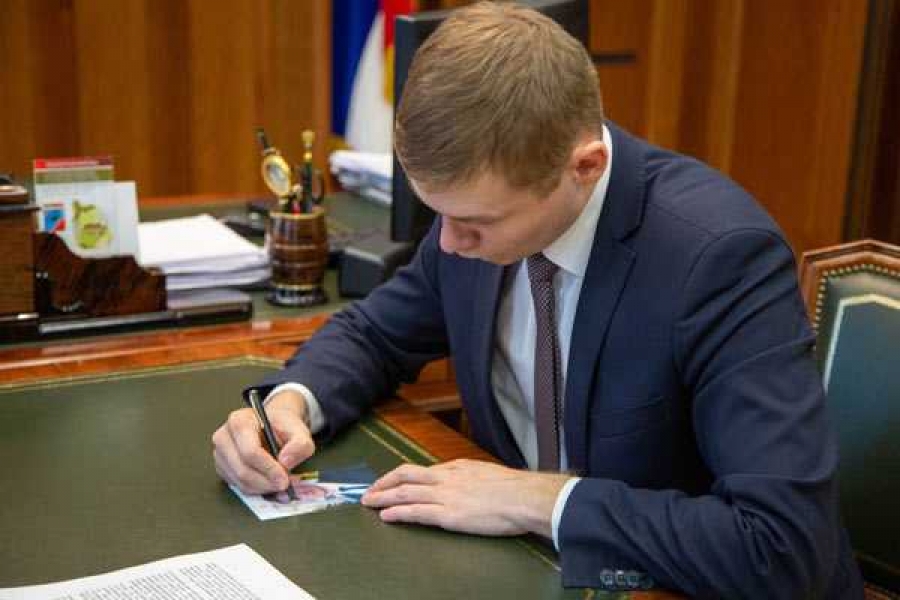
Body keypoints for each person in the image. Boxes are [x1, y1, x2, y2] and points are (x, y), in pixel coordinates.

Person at [212, 2, 864, 597]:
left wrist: (539, 501)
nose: (451, 243)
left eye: (478, 222)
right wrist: (291, 404)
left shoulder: (717, 258)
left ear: (585, 167)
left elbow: (781, 547)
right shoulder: (473, 223)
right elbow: (375, 335)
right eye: (440, 215)